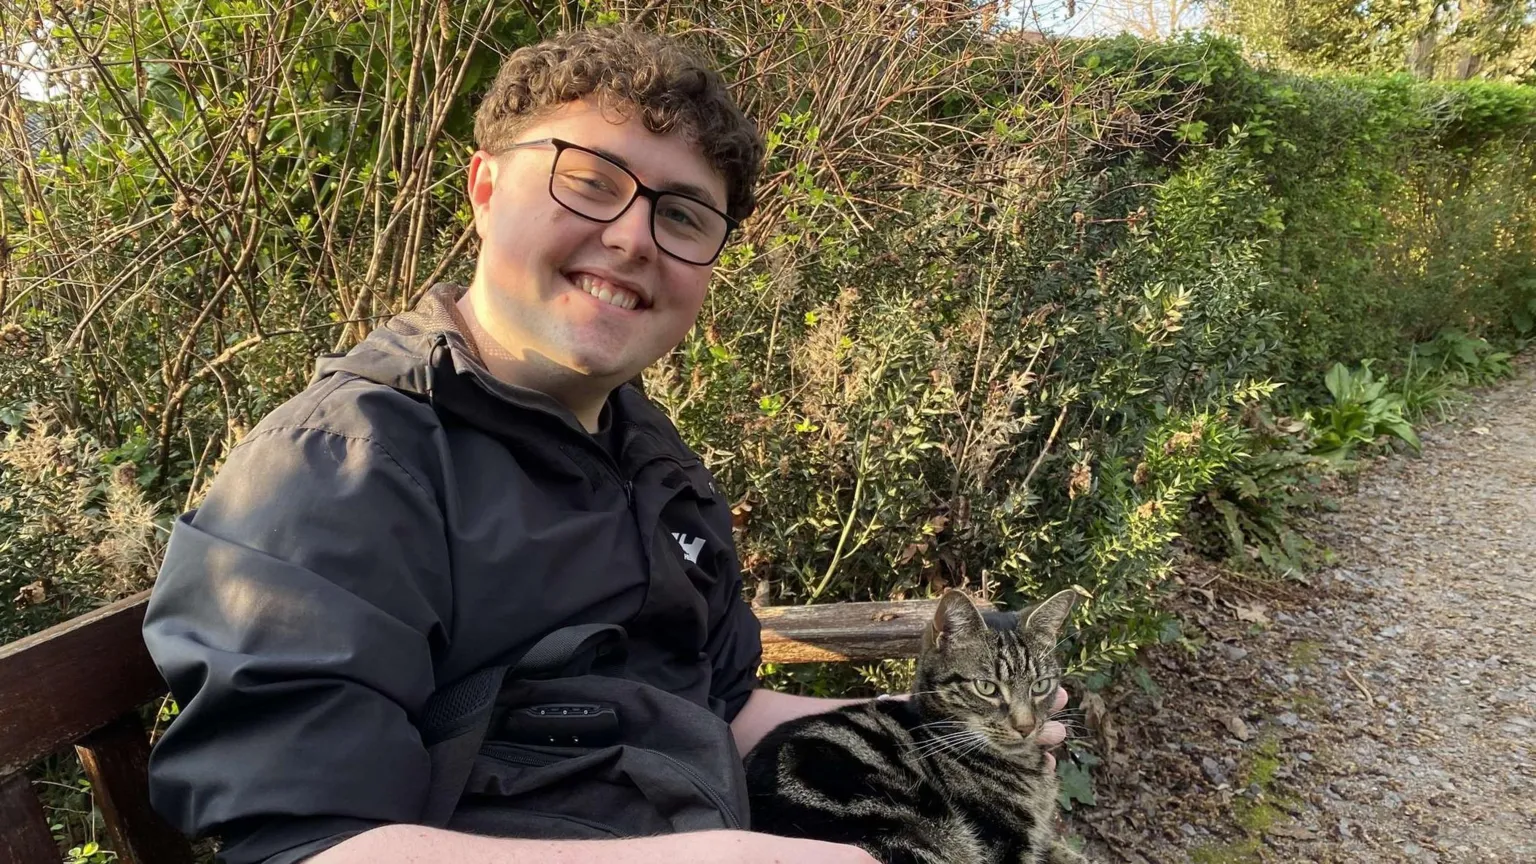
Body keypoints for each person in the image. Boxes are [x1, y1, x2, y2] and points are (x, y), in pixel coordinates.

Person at [141, 25, 1067, 864]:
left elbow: (725, 707)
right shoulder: (343, 470)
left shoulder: (653, 460)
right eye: (588, 182)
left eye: (683, 216)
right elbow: (300, 843)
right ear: (484, 187)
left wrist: (948, 724)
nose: (631, 237)